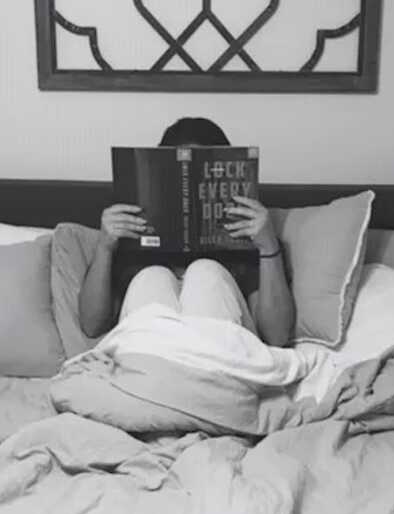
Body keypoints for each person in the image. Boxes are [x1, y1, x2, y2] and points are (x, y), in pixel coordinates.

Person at [78, 117, 296, 346]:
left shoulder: (248, 236)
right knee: (152, 278)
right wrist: (104, 247)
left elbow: (277, 336)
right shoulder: (130, 233)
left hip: (221, 360)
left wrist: (268, 245)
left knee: (206, 274)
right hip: (148, 362)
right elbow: (92, 325)